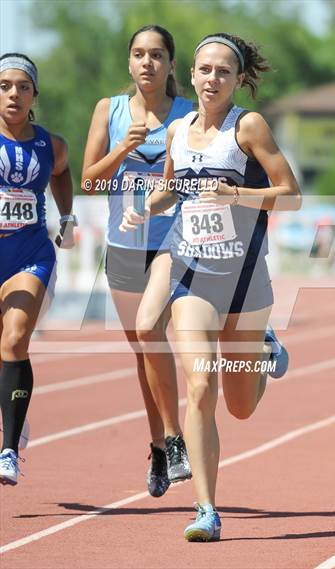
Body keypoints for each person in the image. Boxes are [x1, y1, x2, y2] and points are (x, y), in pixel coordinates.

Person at [121, 32, 300, 541]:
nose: (212, 79)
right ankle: (206, 509)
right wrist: (147, 206)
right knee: (201, 384)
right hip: (192, 274)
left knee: (241, 407)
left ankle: (263, 351)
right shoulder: (178, 129)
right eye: (205, 70)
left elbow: (291, 196)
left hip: (244, 281)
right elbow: (172, 187)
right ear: (192, 75)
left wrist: (237, 193)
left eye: (224, 71)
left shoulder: (249, 126)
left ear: (239, 79)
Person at [81, 25, 193, 497]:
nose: (147, 62)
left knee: (160, 338)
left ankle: (175, 439)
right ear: (129, 63)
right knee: (145, 352)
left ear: (170, 64)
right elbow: (88, 181)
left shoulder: (190, 114)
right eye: (139, 55)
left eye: (157, 55)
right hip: (125, 249)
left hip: (176, 244)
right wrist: (123, 149)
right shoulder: (110, 109)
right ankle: (160, 446)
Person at [0, 53, 76, 484]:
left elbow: (62, 173)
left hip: (30, 254)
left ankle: (8, 450)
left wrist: (66, 217)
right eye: (5, 85)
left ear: (34, 95)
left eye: (22, 86)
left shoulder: (51, 144)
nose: (14, 93)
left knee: (14, 340)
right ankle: (12, 415)